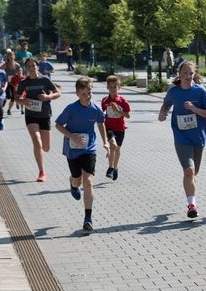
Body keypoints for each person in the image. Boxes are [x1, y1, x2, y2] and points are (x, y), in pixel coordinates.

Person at [55, 77, 113, 232]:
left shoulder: (96, 109)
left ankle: (88, 218)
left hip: (89, 149)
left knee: (88, 182)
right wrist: (71, 136)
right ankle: (73, 184)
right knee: (77, 180)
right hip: (72, 149)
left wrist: (105, 142)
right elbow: (58, 125)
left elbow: (101, 123)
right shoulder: (71, 109)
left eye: (89, 93)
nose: (87, 96)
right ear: (77, 94)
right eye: (84, 94)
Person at [158, 60, 206, 218]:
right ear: (179, 74)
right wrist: (163, 113)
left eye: (191, 73)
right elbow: (166, 105)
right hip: (181, 137)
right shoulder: (174, 92)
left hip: (198, 137)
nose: (188, 76)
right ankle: (192, 205)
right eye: (185, 73)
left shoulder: (200, 91)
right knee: (189, 170)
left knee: (193, 172)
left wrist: (195, 109)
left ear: (194, 74)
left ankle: (191, 196)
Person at [16, 57, 61, 182]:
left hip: (45, 115)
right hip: (31, 115)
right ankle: (42, 172)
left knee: (46, 147)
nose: (32, 68)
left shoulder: (45, 79)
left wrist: (47, 97)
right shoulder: (24, 83)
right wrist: (22, 101)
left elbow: (58, 93)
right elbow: (17, 97)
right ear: (26, 69)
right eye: (29, 66)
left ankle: (40, 153)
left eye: (33, 65)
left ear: (37, 67)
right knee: (37, 141)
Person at [101, 75, 131, 181]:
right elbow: (101, 113)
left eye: (115, 87)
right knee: (113, 145)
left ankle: (115, 167)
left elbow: (128, 115)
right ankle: (110, 168)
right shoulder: (105, 100)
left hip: (120, 128)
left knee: (117, 149)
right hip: (109, 128)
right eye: (110, 87)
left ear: (119, 87)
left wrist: (117, 111)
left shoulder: (122, 101)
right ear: (107, 87)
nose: (113, 89)